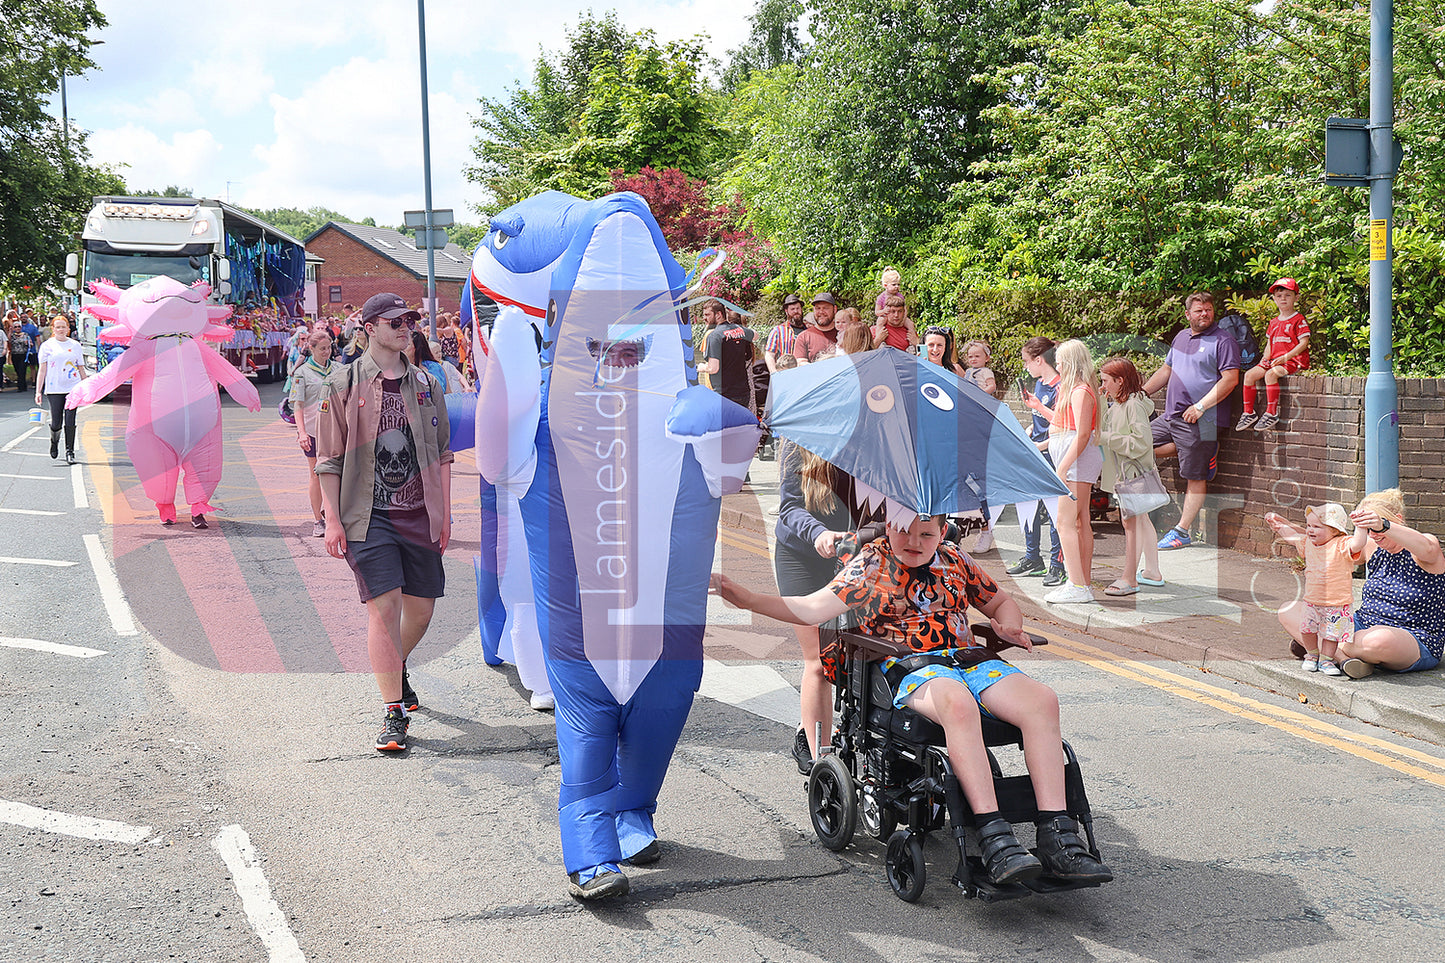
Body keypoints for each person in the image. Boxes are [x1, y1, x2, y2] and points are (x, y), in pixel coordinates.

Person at [711, 514, 1113, 886]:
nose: (914, 541)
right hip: (911, 668)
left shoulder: (956, 559)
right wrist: (746, 599)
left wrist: (1008, 625)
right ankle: (994, 837)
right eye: (904, 529)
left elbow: (1001, 601)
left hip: (968, 661)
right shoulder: (872, 563)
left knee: (1042, 700)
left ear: (942, 532)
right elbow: (811, 607)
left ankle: (1057, 835)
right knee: (956, 703)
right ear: (890, 525)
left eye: (927, 533)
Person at [316, 292, 453, 752]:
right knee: (384, 609)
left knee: (421, 612)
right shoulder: (342, 383)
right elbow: (328, 459)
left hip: (420, 513)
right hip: (367, 517)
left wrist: (445, 512)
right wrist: (332, 520)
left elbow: (444, 453)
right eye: (395, 320)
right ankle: (393, 712)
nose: (406, 326)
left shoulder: (426, 384)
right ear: (370, 326)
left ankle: (396, 667)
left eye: (410, 319)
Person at [774, 444, 872, 773]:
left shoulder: (879, 441)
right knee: (819, 660)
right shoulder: (799, 444)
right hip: (803, 555)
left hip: (856, 555)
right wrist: (819, 533)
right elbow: (789, 508)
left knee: (868, 655)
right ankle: (820, 755)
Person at [1279, 489, 1445, 680]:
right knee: (1288, 611)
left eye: (1373, 527)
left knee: (1378, 640)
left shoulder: (1424, 546)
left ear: (1396, 519)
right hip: (1361, 626)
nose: (1372, 535)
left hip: (1412, 637)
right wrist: (1288, 527)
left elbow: (1428, 547)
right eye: (1366, 529)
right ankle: (1343, 659)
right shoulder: (1372, 546)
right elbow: (1331, 545)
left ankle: (1324, 649)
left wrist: (1383, 525)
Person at [1143, 292, 1242, 550]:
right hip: (1171, 416)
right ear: (1187, 314)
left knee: (1195, 476)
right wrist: (1140, 394)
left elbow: (1230, 379)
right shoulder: (1180, 337)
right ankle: (1201, 450)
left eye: (1208, 309)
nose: (1204, 314)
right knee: (1137, 444)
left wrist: (1200, 406)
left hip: (1202, 419)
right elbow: (1166, 370)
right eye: (1198, 310)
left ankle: (1182, 531)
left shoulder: (1223, 340)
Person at [1266, 503, 1360, 676]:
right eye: (1309, 525)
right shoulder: (1308, 543)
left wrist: (1360, 526)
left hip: (1337, 602)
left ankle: (1326, 660)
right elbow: (1292, 537)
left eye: (1317, 526)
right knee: (1307, 630)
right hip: (1312, 600)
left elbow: (1359, 543)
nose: (1310, 530)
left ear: (1335, 530)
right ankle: (1311, 655)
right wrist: (1279, 526)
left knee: (1331, 636)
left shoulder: (1341, 544)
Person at [1042, 340, 1103, 604]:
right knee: (1079, 523)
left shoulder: (1080, 391)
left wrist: (1063, 467)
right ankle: (1082, 583)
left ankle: (1077, 584)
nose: (1057, 365)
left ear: (1069, 362)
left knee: (1064, 522)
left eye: (1060, 360)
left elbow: (1082, 434)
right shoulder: (1079, 390)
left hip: (1074, 463)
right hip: (1075, 460)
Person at [1098, 357, 1163, 596]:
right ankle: (1152, 572)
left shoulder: (1132, 405)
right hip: (1128, 473)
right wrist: (1104, 401)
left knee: (1131, 523)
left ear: (1120, 380)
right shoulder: (1122, 402)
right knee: (1142, 520)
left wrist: (1103, 438)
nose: (1103, 386)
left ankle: (1129, 579)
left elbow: (1141, 442)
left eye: (1105, 381)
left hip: (1130, 474)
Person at [1014, 338, 1066, 586]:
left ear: (1039, 359)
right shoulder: (1039, 383)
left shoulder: (1061, 386)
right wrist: (1029, 432)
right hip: (1037, 451)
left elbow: (1064, 422)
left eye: (1027, 362)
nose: (1026, 367)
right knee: (1028, 504)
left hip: (1054, 453)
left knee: (1055, 511)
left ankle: (1058, 565)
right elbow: (1040, 421)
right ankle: (1033, 557)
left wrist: (1042, 444)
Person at [1236, 278, 1310, 432]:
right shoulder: (1274, 322)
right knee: (1249, 375)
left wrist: (1285, 357)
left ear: (1296, 298)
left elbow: (1303, 343)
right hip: (1275, 359)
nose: (1283, 298)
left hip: (1292, 361)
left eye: (1288, 295)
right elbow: (1270, 344)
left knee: (1270, 375)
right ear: (1274, 299)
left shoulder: (1299, 319)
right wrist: (1265, 358)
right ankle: (1248, 413)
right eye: (1279, 295)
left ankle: (1271, 413)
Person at [290, 327, 336, 538]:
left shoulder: (338, 368)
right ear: (311, 348)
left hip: (336, 430)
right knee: (316, 474)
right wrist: (301, 432)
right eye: (322, 349)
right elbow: (297, 404)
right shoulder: (302, 373)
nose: (327, 352)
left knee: (337, 473)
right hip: (313, 429)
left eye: (329, 348)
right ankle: (318, 519)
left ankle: (334, 514)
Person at [34, 315, 87, 464]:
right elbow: (42, 370)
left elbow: (81, 367)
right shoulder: (47, 346)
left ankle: (70, 452)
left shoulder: (75, 345)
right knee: (56, 421)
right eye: (58, 327)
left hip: (73, 387)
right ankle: (54, 440)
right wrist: (38, 391)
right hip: (54, 388)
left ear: (68, 329)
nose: (61, 330)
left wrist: (86, 386)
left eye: (63, 327)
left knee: (70, 419)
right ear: (53, 329)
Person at [702, 302, 757, 410]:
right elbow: (755, 335)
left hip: (724, 395)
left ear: (718, 315)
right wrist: (740, 333)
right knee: (740, 426)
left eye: (707, 315)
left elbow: (713, 368)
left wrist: (701, 367)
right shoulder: (738, 329)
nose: (704, 318)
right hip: (743, 394)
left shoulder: (714, 336)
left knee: (724, 426)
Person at [791, 293, 840, 363]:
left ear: (835, 309)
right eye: (818, 308)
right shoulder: (803, 337)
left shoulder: (844, 334)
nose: (821, 312)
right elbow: (800, 363)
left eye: (825, 308)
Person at [764, 294, 807, 373]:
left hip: (806, 372)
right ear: (786, 311)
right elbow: (769, 355)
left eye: (798, 308)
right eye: (792, 309)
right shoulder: (777, 331)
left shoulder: (808, 330)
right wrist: (774, 373)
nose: (796, 311)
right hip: (785, 373)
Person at [10, 309, 38, 392]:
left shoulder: (25, 335)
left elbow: (31, 343)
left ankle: (21, 387)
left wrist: (29, 344)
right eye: (16, 327)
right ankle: (22, 384)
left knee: (22, 370)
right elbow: (8, 341)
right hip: (15, 354)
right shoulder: (12, 335)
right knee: (18, 370)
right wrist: (10, 331)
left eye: (19, 327)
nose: (17, 328)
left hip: (23, 354)